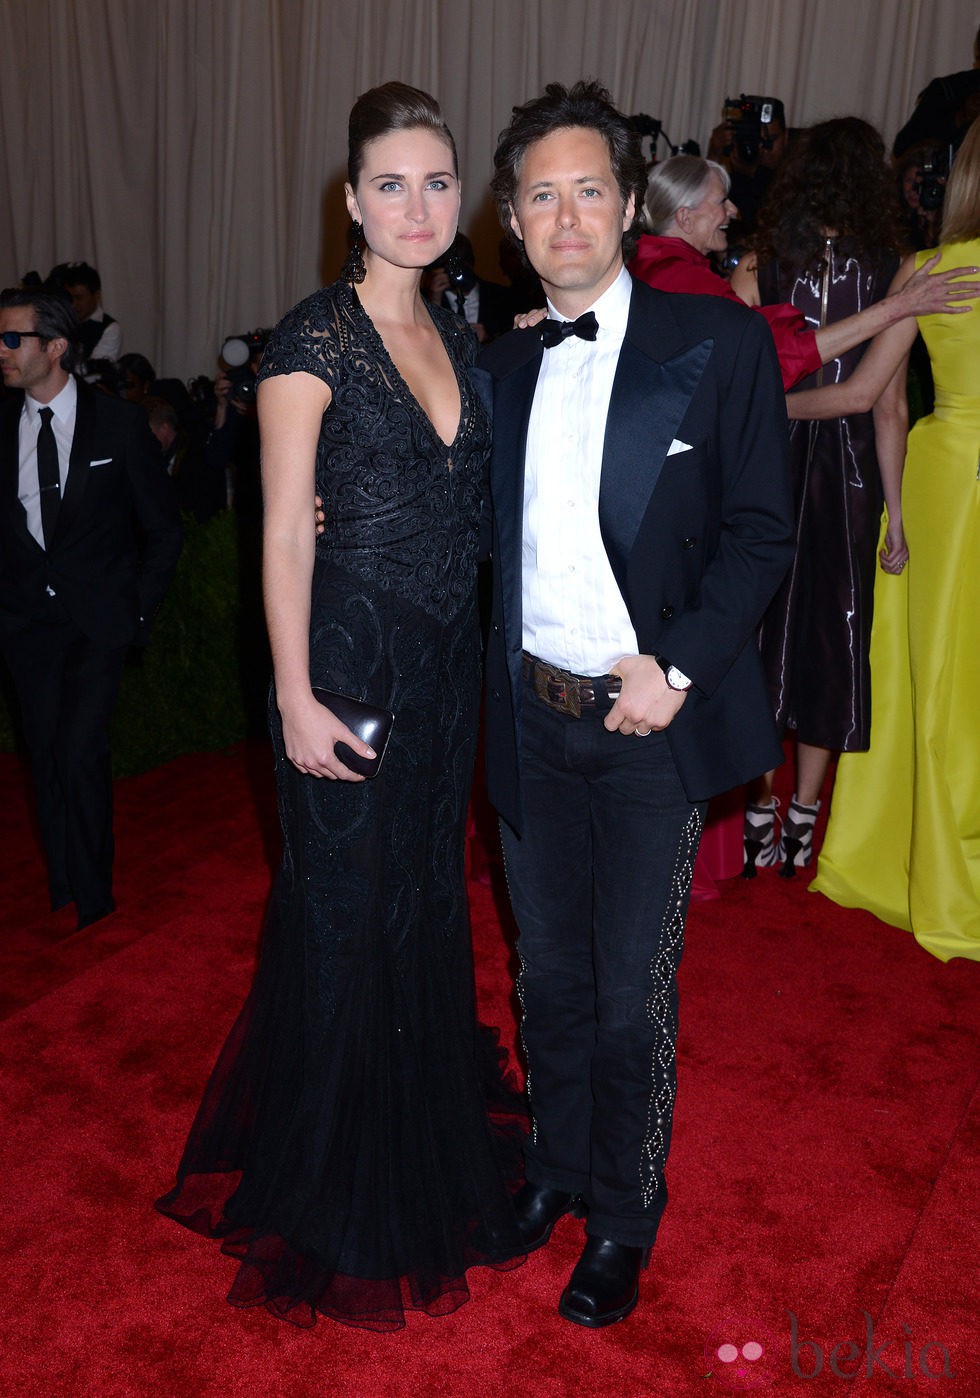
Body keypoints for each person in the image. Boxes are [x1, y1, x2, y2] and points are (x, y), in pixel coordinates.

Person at [155, 82, 525, 1332]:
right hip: (347, 675)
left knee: (422, 906)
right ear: (351, 201)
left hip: (442, 683)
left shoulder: (459, 338)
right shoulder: (307, 341)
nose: (415, 206)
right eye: (389, 184)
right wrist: (293, 697)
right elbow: (278, 535)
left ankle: (415, 1137)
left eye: (436, 182)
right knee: (345, 922)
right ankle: (331, 1189)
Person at [476, 80, 794, 1328]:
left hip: (641, 726)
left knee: (626, 990)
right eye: (540, 196)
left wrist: (677, 671)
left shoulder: (710, 344)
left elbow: (762, 534)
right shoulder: (495, 365)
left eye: (587, 190)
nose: (565, 216)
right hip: (527, 722)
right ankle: (555, 1168)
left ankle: (621, 1213)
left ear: (623, 203)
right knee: (543, 978)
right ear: (511, 217)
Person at [797, 117, 980, 962]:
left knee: (927, 675)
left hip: (944, 484)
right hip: (942, 485)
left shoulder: (930, 271)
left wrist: (897, 515)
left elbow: (870, 393)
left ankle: (902, 854)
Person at [731, 118, 923, 876]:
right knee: (832, 633)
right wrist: (898, 513)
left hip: (765, 467)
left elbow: (735, 391)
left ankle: (756, 804)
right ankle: (805, 814)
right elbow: (889, 407)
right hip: (848, 474)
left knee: (759, 628)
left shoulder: (759, 264)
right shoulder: (895, 270)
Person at [0, 287, 181, 928]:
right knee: (45, 758)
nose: (3, 350)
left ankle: (96, 899)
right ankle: (64, 888)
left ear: (55, 347)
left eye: (13, 337)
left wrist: (136, 615)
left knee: (80, 752)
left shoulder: (118, 423)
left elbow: (163, 529)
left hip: (97, 625)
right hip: (25, 627)